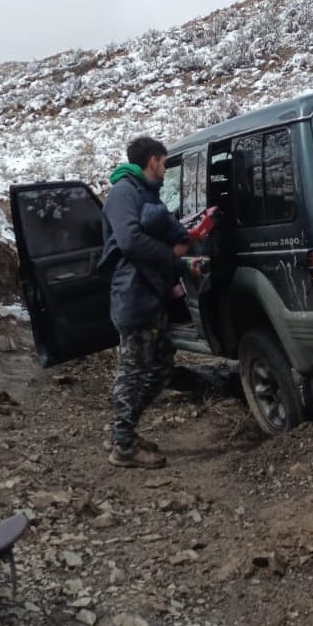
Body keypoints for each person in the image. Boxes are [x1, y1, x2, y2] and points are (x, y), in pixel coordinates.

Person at [99, 136, 204, 468]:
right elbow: (130, 241)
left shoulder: (143, 193)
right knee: (132, 371)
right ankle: (124, 446)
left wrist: (182, 256)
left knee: (160, 366)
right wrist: (172, 255)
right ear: (152, 160)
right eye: (163, 161)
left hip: (150, 294)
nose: (165, 167)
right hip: (133, 296)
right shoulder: (123, 193)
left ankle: (124, 432)